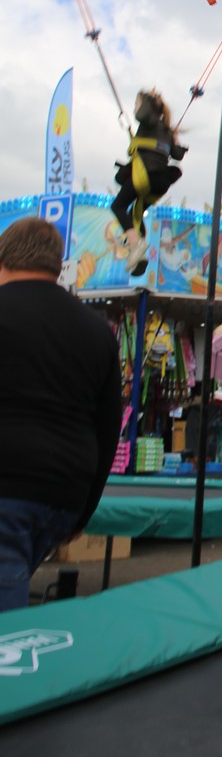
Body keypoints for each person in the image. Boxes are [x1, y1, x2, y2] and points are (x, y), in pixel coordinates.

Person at [0, 216, 123, 612]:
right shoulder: (97, 330)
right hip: (65, 492)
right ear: (57, 264)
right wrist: (83, 511)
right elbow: (108, 427)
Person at [110, 90, 187, 275]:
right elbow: (177, 154)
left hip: (145, 176)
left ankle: (136, 245)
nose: (135, 109)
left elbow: (141, 115)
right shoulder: (166, 131)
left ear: (146, 107)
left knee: (118, 206)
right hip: (160, 183)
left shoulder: (148, 120)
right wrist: (175, 140)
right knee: (135, 214)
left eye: (136, 104)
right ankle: (139, 256)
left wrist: (146, 100)